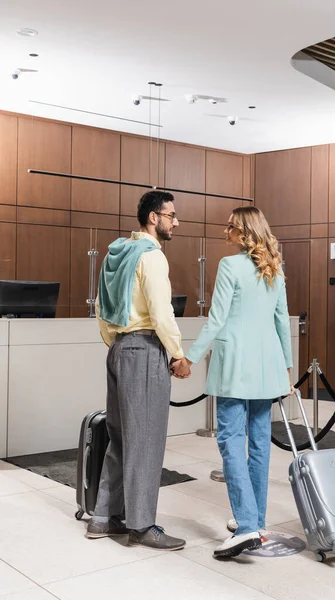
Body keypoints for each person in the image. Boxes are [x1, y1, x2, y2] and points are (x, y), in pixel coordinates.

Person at [171, 206, 294, 558]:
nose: (225, 232)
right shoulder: (274, 266)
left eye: (230, 227)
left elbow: (216, 319)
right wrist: (286, 368)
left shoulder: (229, 266)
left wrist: (189, 358)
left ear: (243, 231)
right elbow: (281, 321)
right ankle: (256, 520)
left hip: (235, 367)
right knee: (259, 445)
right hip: (268, 368)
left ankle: (245, 527)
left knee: (230, 442)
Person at [86, 190, 187, 551]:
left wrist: (115, 343)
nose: (176, 222)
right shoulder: (152, 257)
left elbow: (101, 307)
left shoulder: (117, 253)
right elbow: (162, 313)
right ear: (153, 218)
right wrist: (177, 354)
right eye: (171, 215)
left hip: (117, 349)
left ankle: (104, 518)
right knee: (145, 441)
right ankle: (142, 525)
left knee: (121, 437)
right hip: (144, 350)